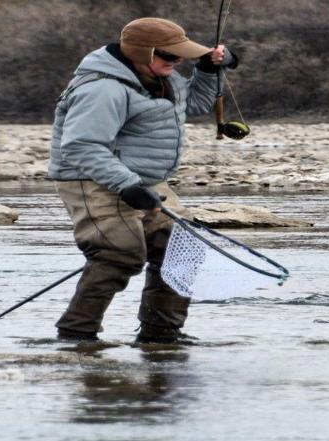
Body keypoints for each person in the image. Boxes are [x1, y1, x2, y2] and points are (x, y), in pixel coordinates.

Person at [47, 17, 239, 343]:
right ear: (143, 53)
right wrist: (127, 186)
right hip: (91, 178)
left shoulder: (166, 77)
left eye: (182, 56)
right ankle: (76, 336)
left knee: (183, 248)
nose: (178, 62)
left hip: (145, 179)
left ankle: (161, 334)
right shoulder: (102, 89)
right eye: (170, 56)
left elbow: (196, 104)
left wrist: (208, 70)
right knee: (118, 253)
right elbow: (81, 146)